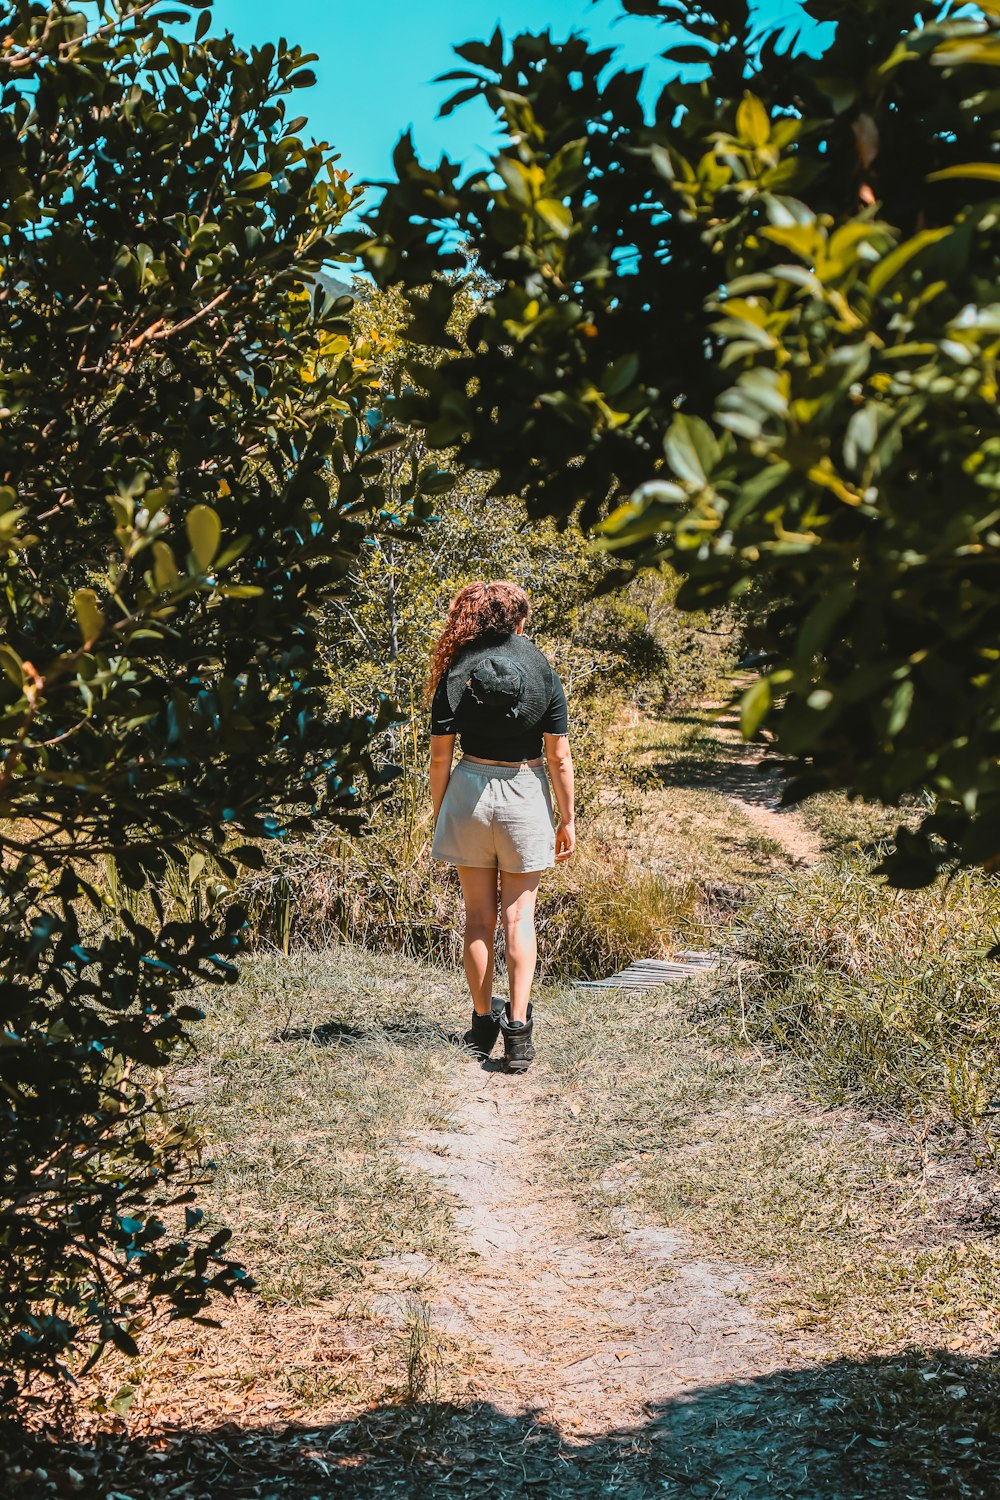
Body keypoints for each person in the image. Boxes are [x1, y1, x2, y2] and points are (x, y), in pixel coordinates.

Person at [427, 580, 575, 1073]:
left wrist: (441, 809)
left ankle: (482, 1021)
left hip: (468, 789)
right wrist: (569, 817)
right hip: (525, 790)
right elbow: (558, 755)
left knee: (476, 919)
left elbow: (439, 757)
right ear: (519, 619)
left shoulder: (458, 672)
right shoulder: (540, 670)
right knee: (519, 919)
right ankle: (518, 1034)